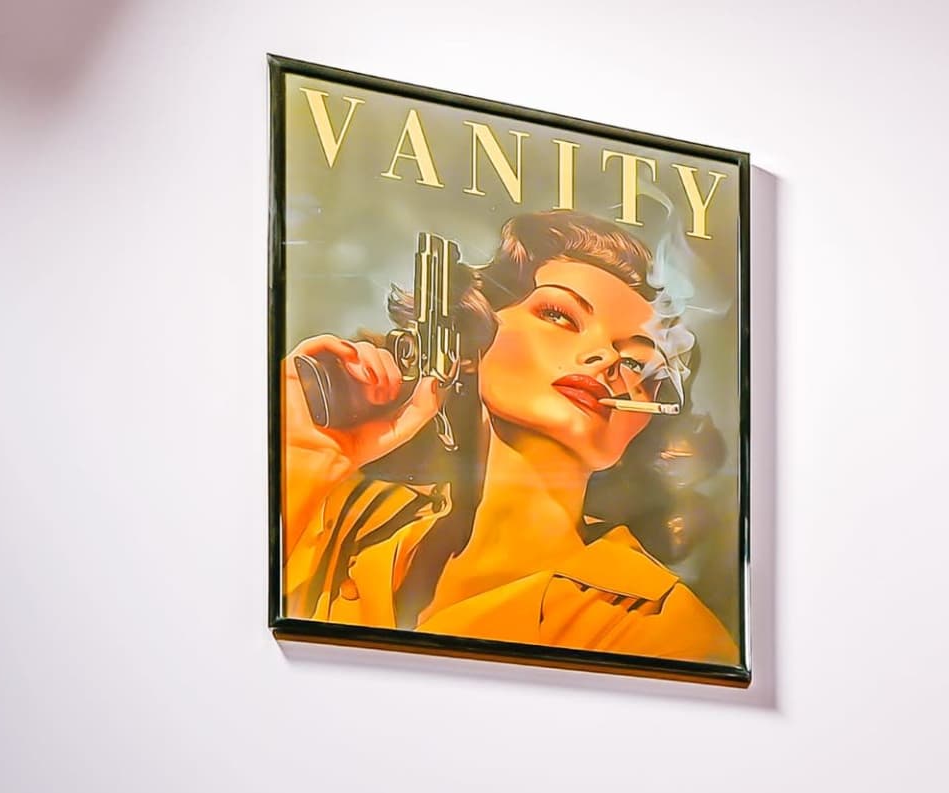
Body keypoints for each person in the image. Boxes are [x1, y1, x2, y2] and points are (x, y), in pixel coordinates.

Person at [281, 209, 736, 666]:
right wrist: (308, 451)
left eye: (637, 362)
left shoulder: (669, 631)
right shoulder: (354, 518)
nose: (603, 358)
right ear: (474, 339)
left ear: (640, 423)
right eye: (560, 315)